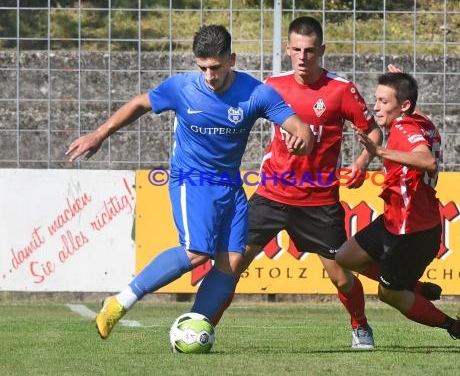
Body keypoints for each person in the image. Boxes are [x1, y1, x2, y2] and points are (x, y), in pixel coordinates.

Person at [65, 24, 314, 339]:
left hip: (230, 185)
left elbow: (300, 128)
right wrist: (99, 134)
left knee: (232, 261)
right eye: (203, 68)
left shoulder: (255, 93)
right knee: (197, 252)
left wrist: (302, 139)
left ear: (231, 59)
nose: (209, 75)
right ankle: (119, 302)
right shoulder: (182, 88)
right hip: (191, 178)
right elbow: (140, 103)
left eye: (216, 67)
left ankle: (193, 328)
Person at [212, 17, 439, 349]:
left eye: (310, 51)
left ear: (321, 51)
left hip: (319, 202)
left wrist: (361, 162)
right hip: (272, 193)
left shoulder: (340, 90)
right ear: (288, 50)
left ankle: (360, 326)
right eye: (297, 50)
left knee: (342, 276)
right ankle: (203, 324)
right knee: (232, 264)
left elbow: (373, 130)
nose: (303, 57)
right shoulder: (272, 85)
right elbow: (238, 116)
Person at [335, 71, 460, 340]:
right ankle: (415, 286)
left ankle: (453, 326)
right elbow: (413, 110)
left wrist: (379, 152)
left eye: (383, 102)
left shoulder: (404, 128)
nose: (376, 107)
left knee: (388, 293)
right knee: (345, 256)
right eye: (376, 100)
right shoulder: (420, 120)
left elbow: (427, 161)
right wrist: (401, 83)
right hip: (397, 218)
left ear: (403, 106)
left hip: (409, 230)